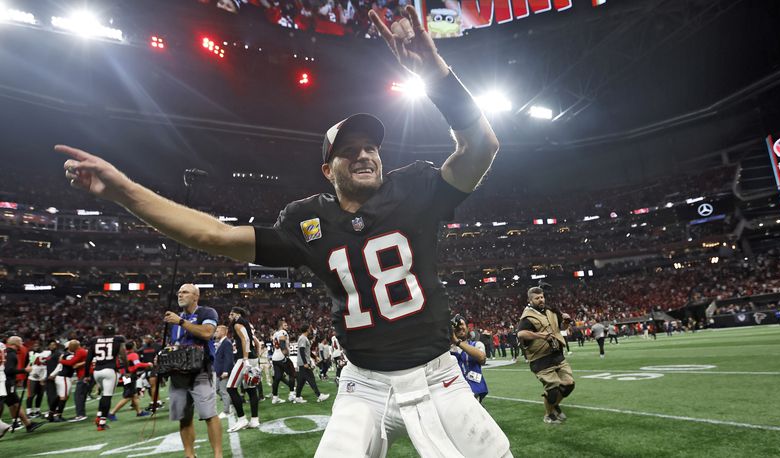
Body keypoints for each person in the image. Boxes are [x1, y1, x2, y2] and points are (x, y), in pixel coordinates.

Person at [56, 4, 509, 455]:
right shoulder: (307, 221)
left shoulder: (415, 187)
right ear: (327, 168)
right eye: (350, 150)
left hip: (435, 372)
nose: (365, 155)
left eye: (371, 146)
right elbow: (213, 236)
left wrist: (434, 72)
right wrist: (124, 192)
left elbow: (482, 145)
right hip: (363, 383)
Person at [163, 284, 223, 458]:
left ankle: (218, 456)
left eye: (185, 292)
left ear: (196, 296)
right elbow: (173, 345)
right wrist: (164, 356)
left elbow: (207, 333)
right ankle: (190, 455)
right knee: (184, 416)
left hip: (201, 371)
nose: (180, 295)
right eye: (179, 292)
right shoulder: (174, 319)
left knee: (209, 414)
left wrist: (181, 322)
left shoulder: (207, 312)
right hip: (178, 373)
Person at [517, 286, 575, 425]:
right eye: (537, 298)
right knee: (553, 389)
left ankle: (554, 405)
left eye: (542, 297)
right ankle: (548, 415)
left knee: (569, 385)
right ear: (530, 300)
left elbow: (561, 328)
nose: (541, 300)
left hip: (557, 354)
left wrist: (566, 321)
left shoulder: (551, 310)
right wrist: (540, 335)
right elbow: (521, 334)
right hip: (540, 359)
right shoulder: (527, 317)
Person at [225, 306, 261, 432]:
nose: (229, 317)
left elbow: (245, 339)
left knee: (230, 388)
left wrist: (246, 359)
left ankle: (242, 419)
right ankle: (255, 419)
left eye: (231, 314)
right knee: (251, 390)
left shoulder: (238, 324)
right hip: (252, 358)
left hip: (244, 359)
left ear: (236, 314)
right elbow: (257, 342)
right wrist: (255, 357)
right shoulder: (247, 324)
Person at [85, 324, 127, 431]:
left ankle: (99, 416)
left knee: (104, 396)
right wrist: (127, 369)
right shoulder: (118, 339)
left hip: (97, 372)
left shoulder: (94, 340)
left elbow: (88, 359)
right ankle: (102, 423)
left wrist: (86, 375)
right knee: (107, 397)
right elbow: (123, 355)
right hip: (109, 370)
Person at [3, 337, 43, 434]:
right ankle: (28, 425)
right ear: (16, 343)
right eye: (20, 342)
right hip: (7, 382)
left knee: (14, 404)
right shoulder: (11, 354)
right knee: (16, 403)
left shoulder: (7, 352)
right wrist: (24, 370)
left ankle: (27, 424)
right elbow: (8, 370)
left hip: (5, 382)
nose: (22, 343)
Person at [108, 342, 152, 420]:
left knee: (134, 395)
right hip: (130, 376)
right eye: (135, 345)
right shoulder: (133, 355)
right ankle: (112, 413)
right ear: (132, 347)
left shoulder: (122, 355)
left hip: (125, 376)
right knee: (128, 396)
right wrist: (148, 364)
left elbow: (118, 366)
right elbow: (138, 364)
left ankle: (139, 412)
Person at [450, 315, 488, 403]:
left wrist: (457, 342)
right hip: (455, 392)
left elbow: (482, 358)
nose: (460, 327)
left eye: (462, 324)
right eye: (457, 325)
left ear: (467, 328)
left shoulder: (477, 344)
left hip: (474, 390)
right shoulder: (447, 349)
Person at [294, 324, 330, 404]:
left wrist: (314, 357)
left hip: (302, 363)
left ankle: (297, 397)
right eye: (309, 329)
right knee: (311, 379)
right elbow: (302, 351)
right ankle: (319, 396)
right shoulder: (303, 338)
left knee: (301, 381)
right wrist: (305, 362)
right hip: (304, 363)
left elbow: (307, 351)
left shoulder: (303, 338)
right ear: (307, 329)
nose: (310, 330)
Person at [270, 319, 296, 404]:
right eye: (285, 325)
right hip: (281, 357)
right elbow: (281, 344)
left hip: (275, 358)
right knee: (292, 374)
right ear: (281, 326)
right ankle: (292, 394)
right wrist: (286, 354)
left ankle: (275, 397)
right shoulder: (282, 332)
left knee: (277, 378)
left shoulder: (275, 334)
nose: (287, 326)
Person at [213, 325, 234, 420]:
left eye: (217, 331)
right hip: (219, 371)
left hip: (223, 372)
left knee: (223, 391)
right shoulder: (221, 342)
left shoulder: (227, 343)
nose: (215, 333)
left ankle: (226, 411)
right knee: (217, 390)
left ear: (223, 332)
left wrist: (226, 371)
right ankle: (232, 402)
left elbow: (228, 358)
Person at [138, 334, 162, 411]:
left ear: (151, 339)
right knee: (151, 387)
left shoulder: (157, 346)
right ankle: (158, 401)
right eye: (145, 338)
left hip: (155, 368)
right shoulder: (143, 348)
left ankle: (154, 403)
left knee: (153, 384)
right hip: (147, 369)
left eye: (147, 338)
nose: (146, 340)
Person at [25, 343, 49, 419]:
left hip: (43, 377)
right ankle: (29, 412)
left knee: (40, 395)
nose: (36, 347)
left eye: (37, 345)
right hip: (33, 377)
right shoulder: (32, 354)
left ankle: (37, 410)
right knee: (31, 395)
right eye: (34, 346)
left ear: (41, 346)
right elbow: (30, 364)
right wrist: (32, 373)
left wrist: (44, 377)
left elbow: (47, 365)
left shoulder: (47, 353)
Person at [69, 340, 90, 422]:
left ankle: (81, 415)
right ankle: (81, 413)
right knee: (81, 395)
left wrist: (61, 360)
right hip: (85, 375)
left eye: (70, 345)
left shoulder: (80, 351)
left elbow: (71, 362)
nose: (69, 347)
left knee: (78, 395)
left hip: (84, 375)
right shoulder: (81, 351)